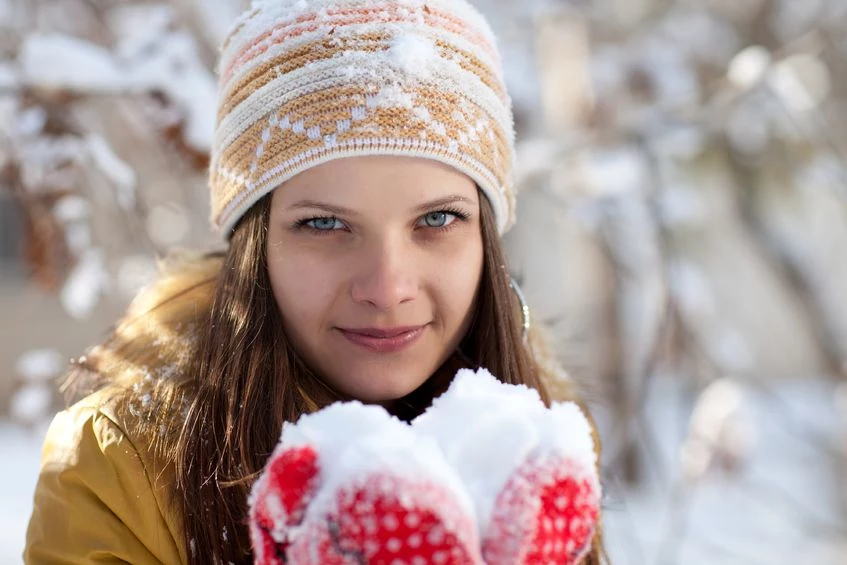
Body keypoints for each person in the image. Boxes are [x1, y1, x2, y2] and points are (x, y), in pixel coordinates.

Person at [24, 0, 605, 563]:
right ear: (257, 244)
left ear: (485, 236)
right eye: (324, 223)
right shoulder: (122, 470)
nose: (387, 287)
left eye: (436, 219)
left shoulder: (542, 449)